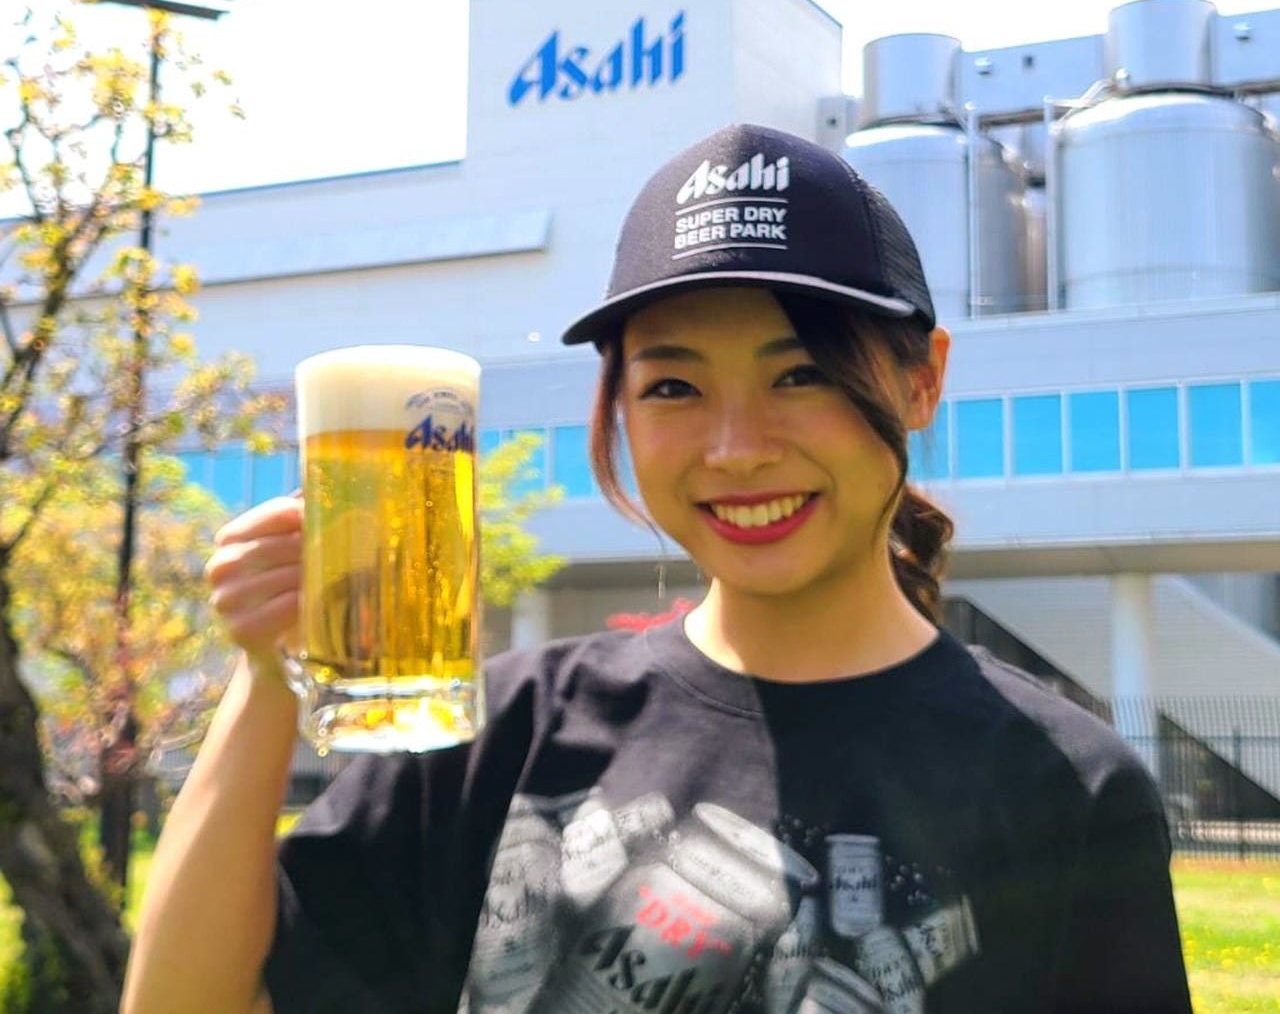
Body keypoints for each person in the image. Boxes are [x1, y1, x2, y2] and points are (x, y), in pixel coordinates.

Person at [122, 124, 1192, 1014]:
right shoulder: (502, 733)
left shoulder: (1067, 788)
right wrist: (267, 675)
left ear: (922, 380)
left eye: (801, 374)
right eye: (674, 387)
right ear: (618, 409)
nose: (735, 447)